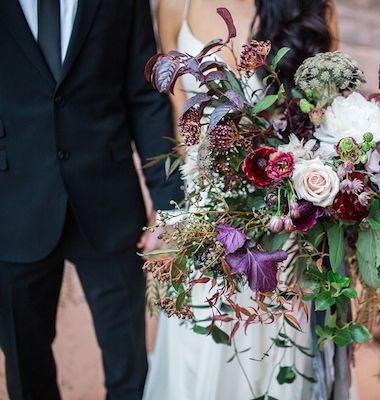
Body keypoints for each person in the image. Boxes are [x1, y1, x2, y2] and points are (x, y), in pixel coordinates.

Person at [144, 1, 338, 399]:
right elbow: (179, 112)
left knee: (277, 344)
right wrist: (177, 212)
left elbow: (326, 114)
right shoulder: (175, 5)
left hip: (286, 223)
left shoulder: (311, 8)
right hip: (208, 218)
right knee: (204, 341)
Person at [0, 1, 182, 399]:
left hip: (109, 201)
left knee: (128, 365)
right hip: (12, 208)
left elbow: (144, 96)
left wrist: (169, 205)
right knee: (25, 367)